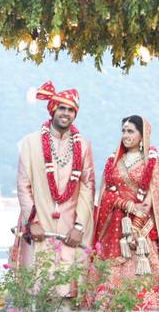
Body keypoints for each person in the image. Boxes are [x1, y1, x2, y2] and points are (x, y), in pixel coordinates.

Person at [91, 115, 159, 309]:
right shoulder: (113, 160)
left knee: (143, 280)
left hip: (140, 229)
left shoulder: (151, 161)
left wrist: (138, 216)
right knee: (107, 282)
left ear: (142, 135)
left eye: (130, 131)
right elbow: (105, 194)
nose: (125, 135)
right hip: (113, 228)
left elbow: (152, 199)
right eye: (123, 131)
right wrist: (128, 206)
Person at [10, 81, 96, 297]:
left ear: (75, 114)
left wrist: (79, 226)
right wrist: (33, 222)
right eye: (61, 108)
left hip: (70, 231)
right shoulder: (30, 143)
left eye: (70, 110)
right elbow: (23, 185)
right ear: (53, 110)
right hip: (39, 228)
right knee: (35, 292)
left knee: (66, 292)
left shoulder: (83, 145)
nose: (65, 114)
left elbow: (88, 186)